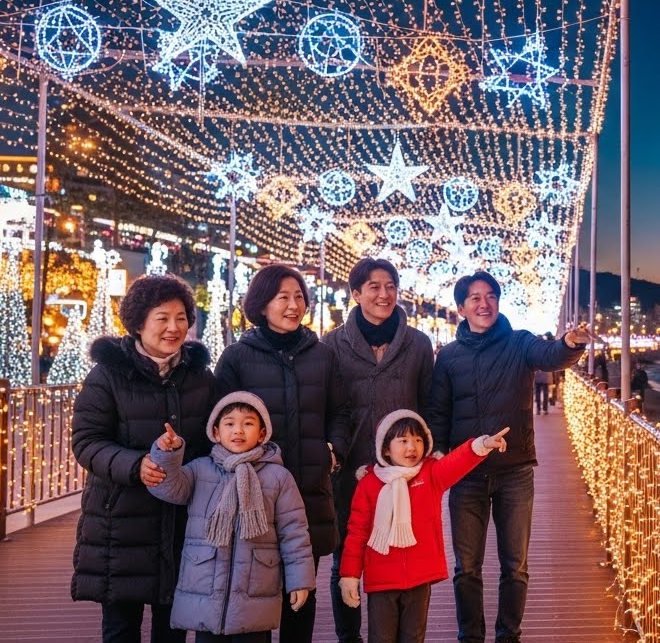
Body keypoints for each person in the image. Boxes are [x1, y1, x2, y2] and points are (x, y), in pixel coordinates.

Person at [425, 270, 592, 643]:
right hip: (465, 474)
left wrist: (570, 342)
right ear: (461, 308)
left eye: (490, 296)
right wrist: (438, 456)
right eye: (475, 298)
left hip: (514, 471)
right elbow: (438, 412)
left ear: (498, 302)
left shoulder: (519, 343)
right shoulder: (449, 357)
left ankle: (508, 635)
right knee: (466, 567)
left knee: (514, 566)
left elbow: (550, 356)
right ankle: (470, 636)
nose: (484, 304)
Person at [70, 274, 218, 643]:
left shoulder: (201, 377)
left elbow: (216, 438)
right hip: (120, 523)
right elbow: (87, 441)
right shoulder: (107, 375)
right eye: (162, 318)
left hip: (182, 523)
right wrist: (136, 465)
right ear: (138, 323)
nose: (173, 327)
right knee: (121, 629)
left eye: (181, 317)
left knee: (173, 628)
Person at [215, 264, 350, 641]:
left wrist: (333, 452)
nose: (294, 305)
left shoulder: (322, 356)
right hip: (252, 493)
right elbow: (219, 420)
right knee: (254, 592)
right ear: (261, 304)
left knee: (302, 592)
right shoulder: (237, 357)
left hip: (308, 491)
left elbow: (341, 412)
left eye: (299, 297)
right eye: (283, 297)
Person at [322, 258, 434, 643]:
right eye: (373, 286)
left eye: (390, 286)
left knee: (403, 556)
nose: (383, 294)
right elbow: (326, 405)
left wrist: (427, 455)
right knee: (345, 558)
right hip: (350, 468)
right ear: (356, 294)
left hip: (404, 473)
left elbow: (428, 404)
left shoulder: (418, 344)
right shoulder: (332, 345)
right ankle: (349, 637)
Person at [146, 391, 315, 642]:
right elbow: (168, 488)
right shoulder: (200, 469)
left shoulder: (278, 477)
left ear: (261, 434)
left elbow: (294, 532)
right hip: (205, 588)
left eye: (248, 423)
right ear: (215, 433)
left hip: (255, 590)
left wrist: (299, 580)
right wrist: (169, 454)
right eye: (229, 423)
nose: (238, 430)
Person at [338, 410, 508, 643]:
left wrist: (482, 445)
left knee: (414, 637)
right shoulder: (369, 484)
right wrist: (349, 574)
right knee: (381, 637)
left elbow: (456, 462)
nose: (412, 447)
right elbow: (357, 533)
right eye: (403, 441)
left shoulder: (430, 475)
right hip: (381, 579)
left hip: (419, 578)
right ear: (385, 448)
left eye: (418, 440)